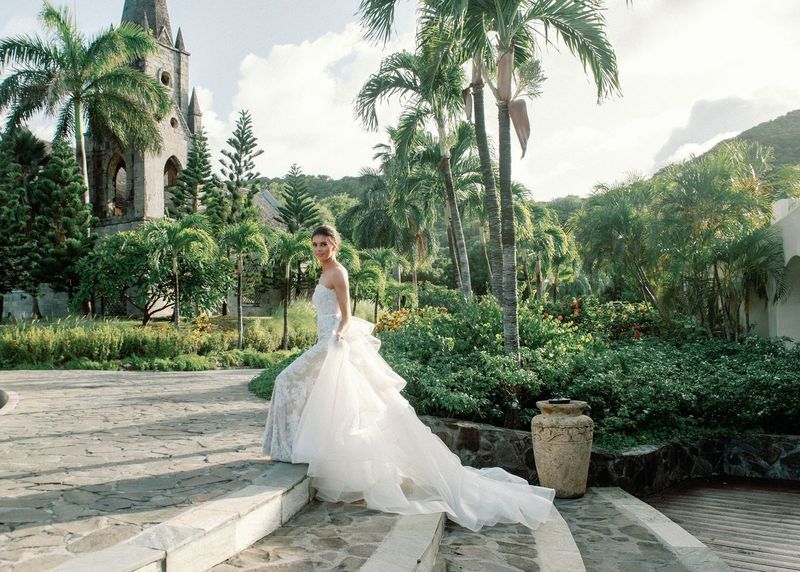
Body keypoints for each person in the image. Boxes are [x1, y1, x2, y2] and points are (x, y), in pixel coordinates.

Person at [262, 225, 555, 532]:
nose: (319, 248)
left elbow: (346, 316)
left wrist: (339, 336)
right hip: (323, 342)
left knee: (287, 379)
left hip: (332, 344)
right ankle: (298, 449)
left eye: (324, 244)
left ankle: (290, 449)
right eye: (315, 244)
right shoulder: (321, 274)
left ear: (335, 246)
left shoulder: (338, 272)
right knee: (316, 395)